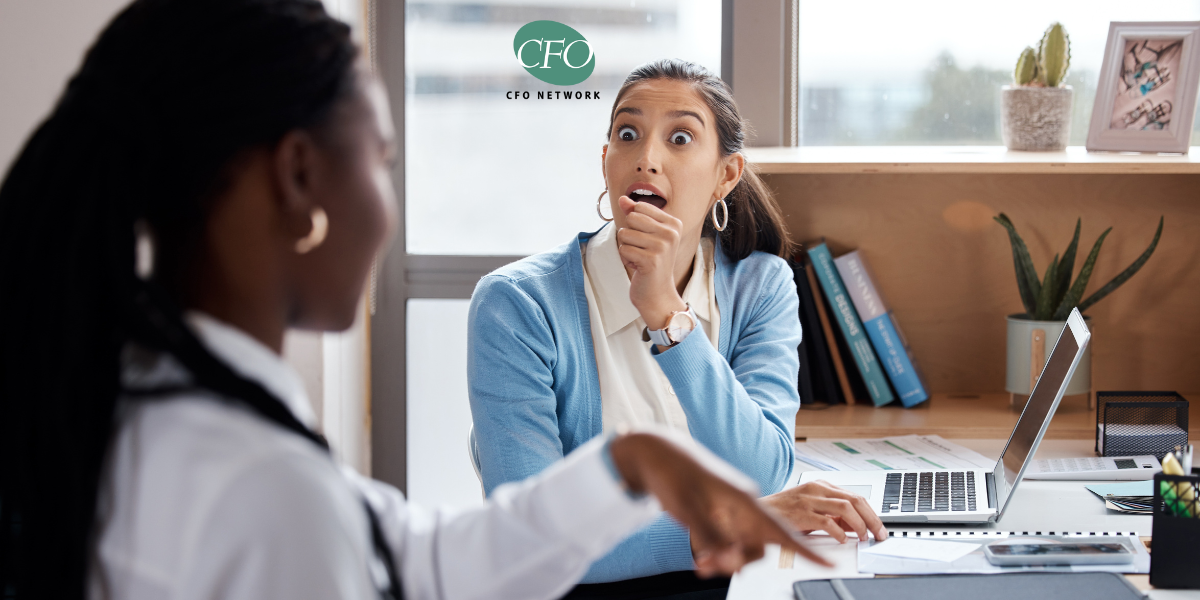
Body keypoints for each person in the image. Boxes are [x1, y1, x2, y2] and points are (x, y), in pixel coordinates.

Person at [0, 2, 827, 598]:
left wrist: (629, 466)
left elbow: (415, 557)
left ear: (725, 175)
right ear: (300, 180)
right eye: (383, 160)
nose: (391, 203)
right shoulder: (263, 490)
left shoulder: (153, 403)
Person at [468, 59, 886, 588]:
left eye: (681, 138)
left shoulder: (761, 285)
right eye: (627, 134)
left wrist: (668, 315)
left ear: (725, 176)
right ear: (606, 162)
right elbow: (526, 543)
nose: (646, 159)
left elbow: (763, 473)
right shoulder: (517, 305)